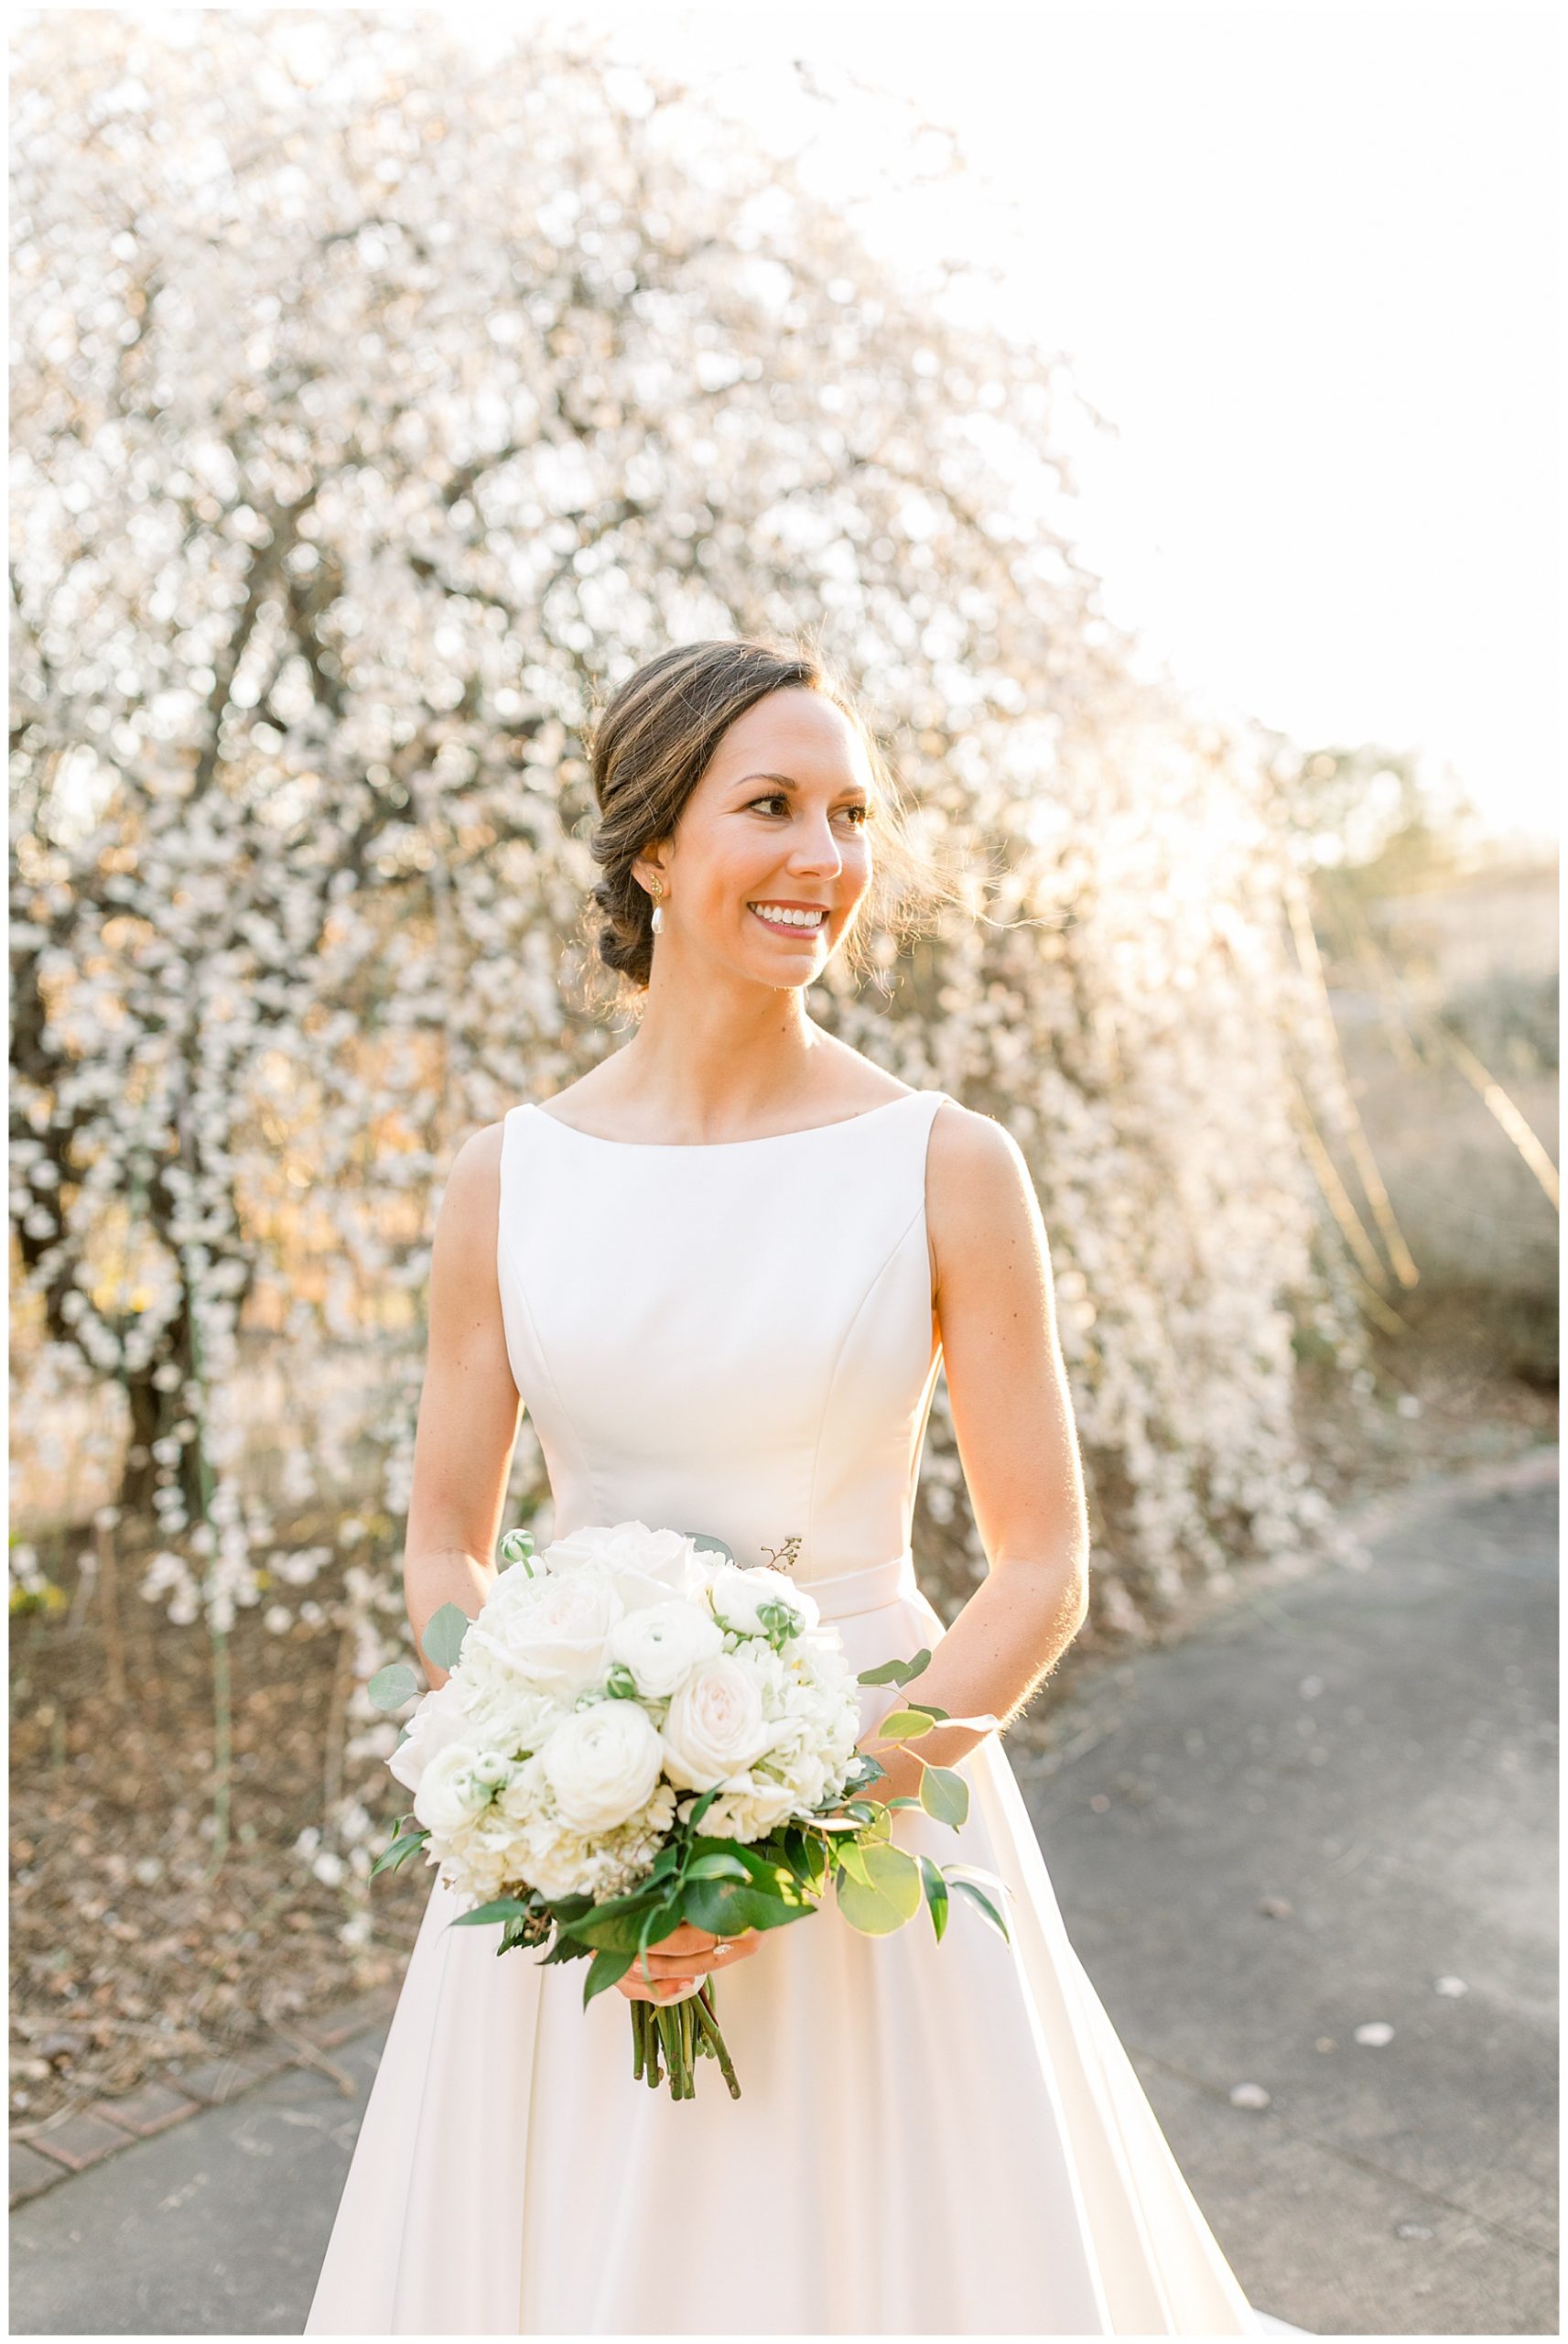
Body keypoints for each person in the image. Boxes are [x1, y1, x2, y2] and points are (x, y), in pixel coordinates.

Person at [305, 637, 1305, 2335]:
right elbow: (441, 1546)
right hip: (573, 1855)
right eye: (768, 806)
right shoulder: (505, 1181)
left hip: (867, 1820)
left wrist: (794, 1840)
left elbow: (1036, 1568)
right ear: (650, 847)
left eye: (849, 814)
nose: (824, 859)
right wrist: (547, 1793)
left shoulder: (944, 1163)